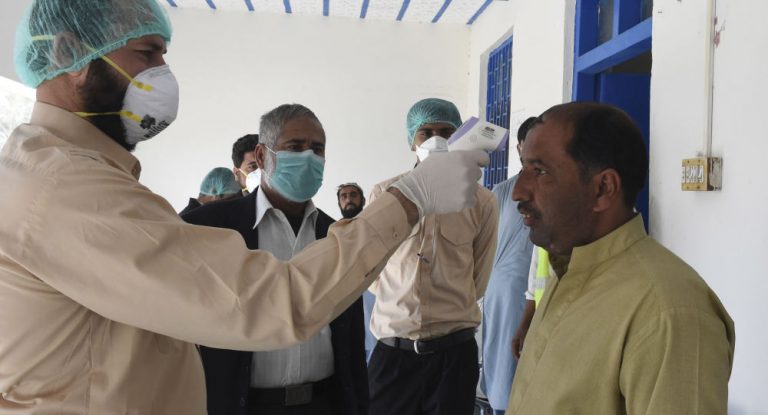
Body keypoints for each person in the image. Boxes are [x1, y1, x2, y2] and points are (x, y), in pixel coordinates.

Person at [0, 2, 489, 413]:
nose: (162, 74)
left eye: (319, 149)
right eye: (146, 53)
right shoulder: (63, 187)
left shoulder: (73, 175)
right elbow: (269, 301)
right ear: (68, 53)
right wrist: (411, 198)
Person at [507, 102, 735, 414]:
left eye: (540, 171)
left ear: (603, 188)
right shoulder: (570, 269)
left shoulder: (668, 312)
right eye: (523, 168)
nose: (518, 191)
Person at [182, 104, 367, 415]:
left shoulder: (335, 234)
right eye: (295, 147)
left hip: (322, 402)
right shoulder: (212, 226)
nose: (308, 157)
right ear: (262, 155)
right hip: (241, 404)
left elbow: (351, 338)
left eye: (317, 149)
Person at [367, 98, 499, 415]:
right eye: (426, 132)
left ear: (459, 137)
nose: (436, 139)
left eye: (446, 131)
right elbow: (371, 272)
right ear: (411, 140)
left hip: (453, 356)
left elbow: (478, 278)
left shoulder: (482, 201)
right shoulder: (385, 195)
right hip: (394, 355)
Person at [479, 116, 536, 415]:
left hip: (539, 290)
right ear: (519, 148)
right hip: (506, 291)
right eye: (530, 144)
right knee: (504, 361)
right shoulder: (502, 191)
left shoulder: (559, 190)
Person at [337, 182, 377, 363]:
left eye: (353, 195)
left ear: (363, 200)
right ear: (339, 203)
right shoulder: (333, 233)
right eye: (344, 196)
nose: (348, 199)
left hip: (372, 295)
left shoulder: (375, 228)